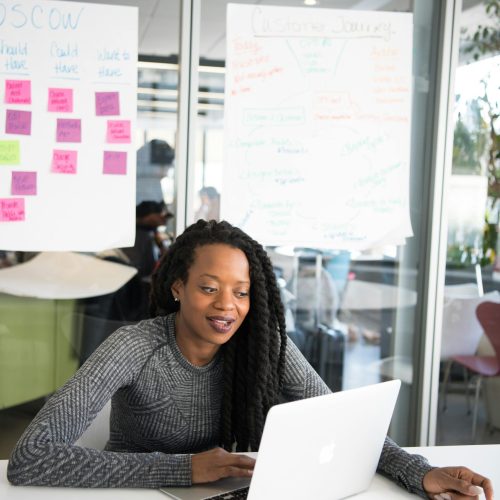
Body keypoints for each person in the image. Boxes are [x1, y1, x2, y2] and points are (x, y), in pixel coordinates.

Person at [7, 220, 493, 499]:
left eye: (241, 292)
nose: (227, 305)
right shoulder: (135, 347)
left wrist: (419, 472)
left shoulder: (264, 346)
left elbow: (346, 430)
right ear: (178, 287)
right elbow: (30, 460)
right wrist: (183, 470)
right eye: (209, 288)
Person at [122, 200, 173, 280]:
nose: (164, 218)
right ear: (148, 216)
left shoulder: (151, 233)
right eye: (160, 213)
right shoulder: (138, 235)